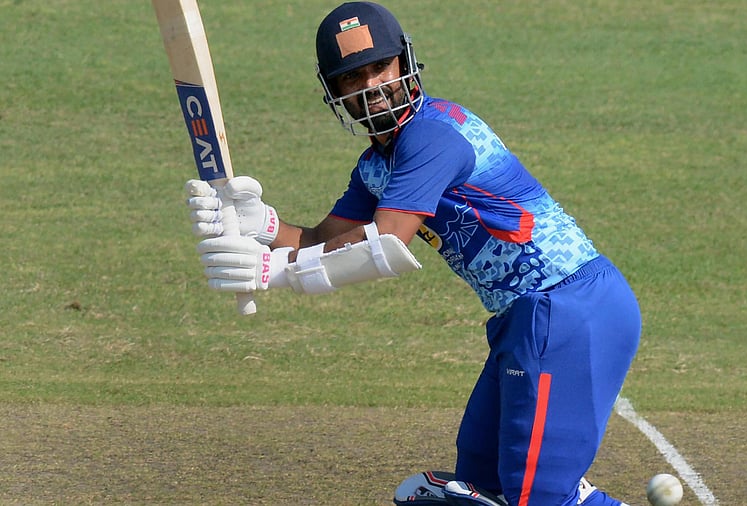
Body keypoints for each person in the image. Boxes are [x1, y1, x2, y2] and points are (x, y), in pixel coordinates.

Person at [185, 2, 641, 505]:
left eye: (380, 66)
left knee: (538, 498)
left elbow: (384, 243)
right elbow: (320, 240)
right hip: (524, 317)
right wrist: (262, 225)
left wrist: (276, 271)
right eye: (352, 77)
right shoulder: (376, 165)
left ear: (404, 62)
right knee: (481, 482)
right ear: (334, 91)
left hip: (567, 307)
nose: (371, 86)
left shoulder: (431, 135)